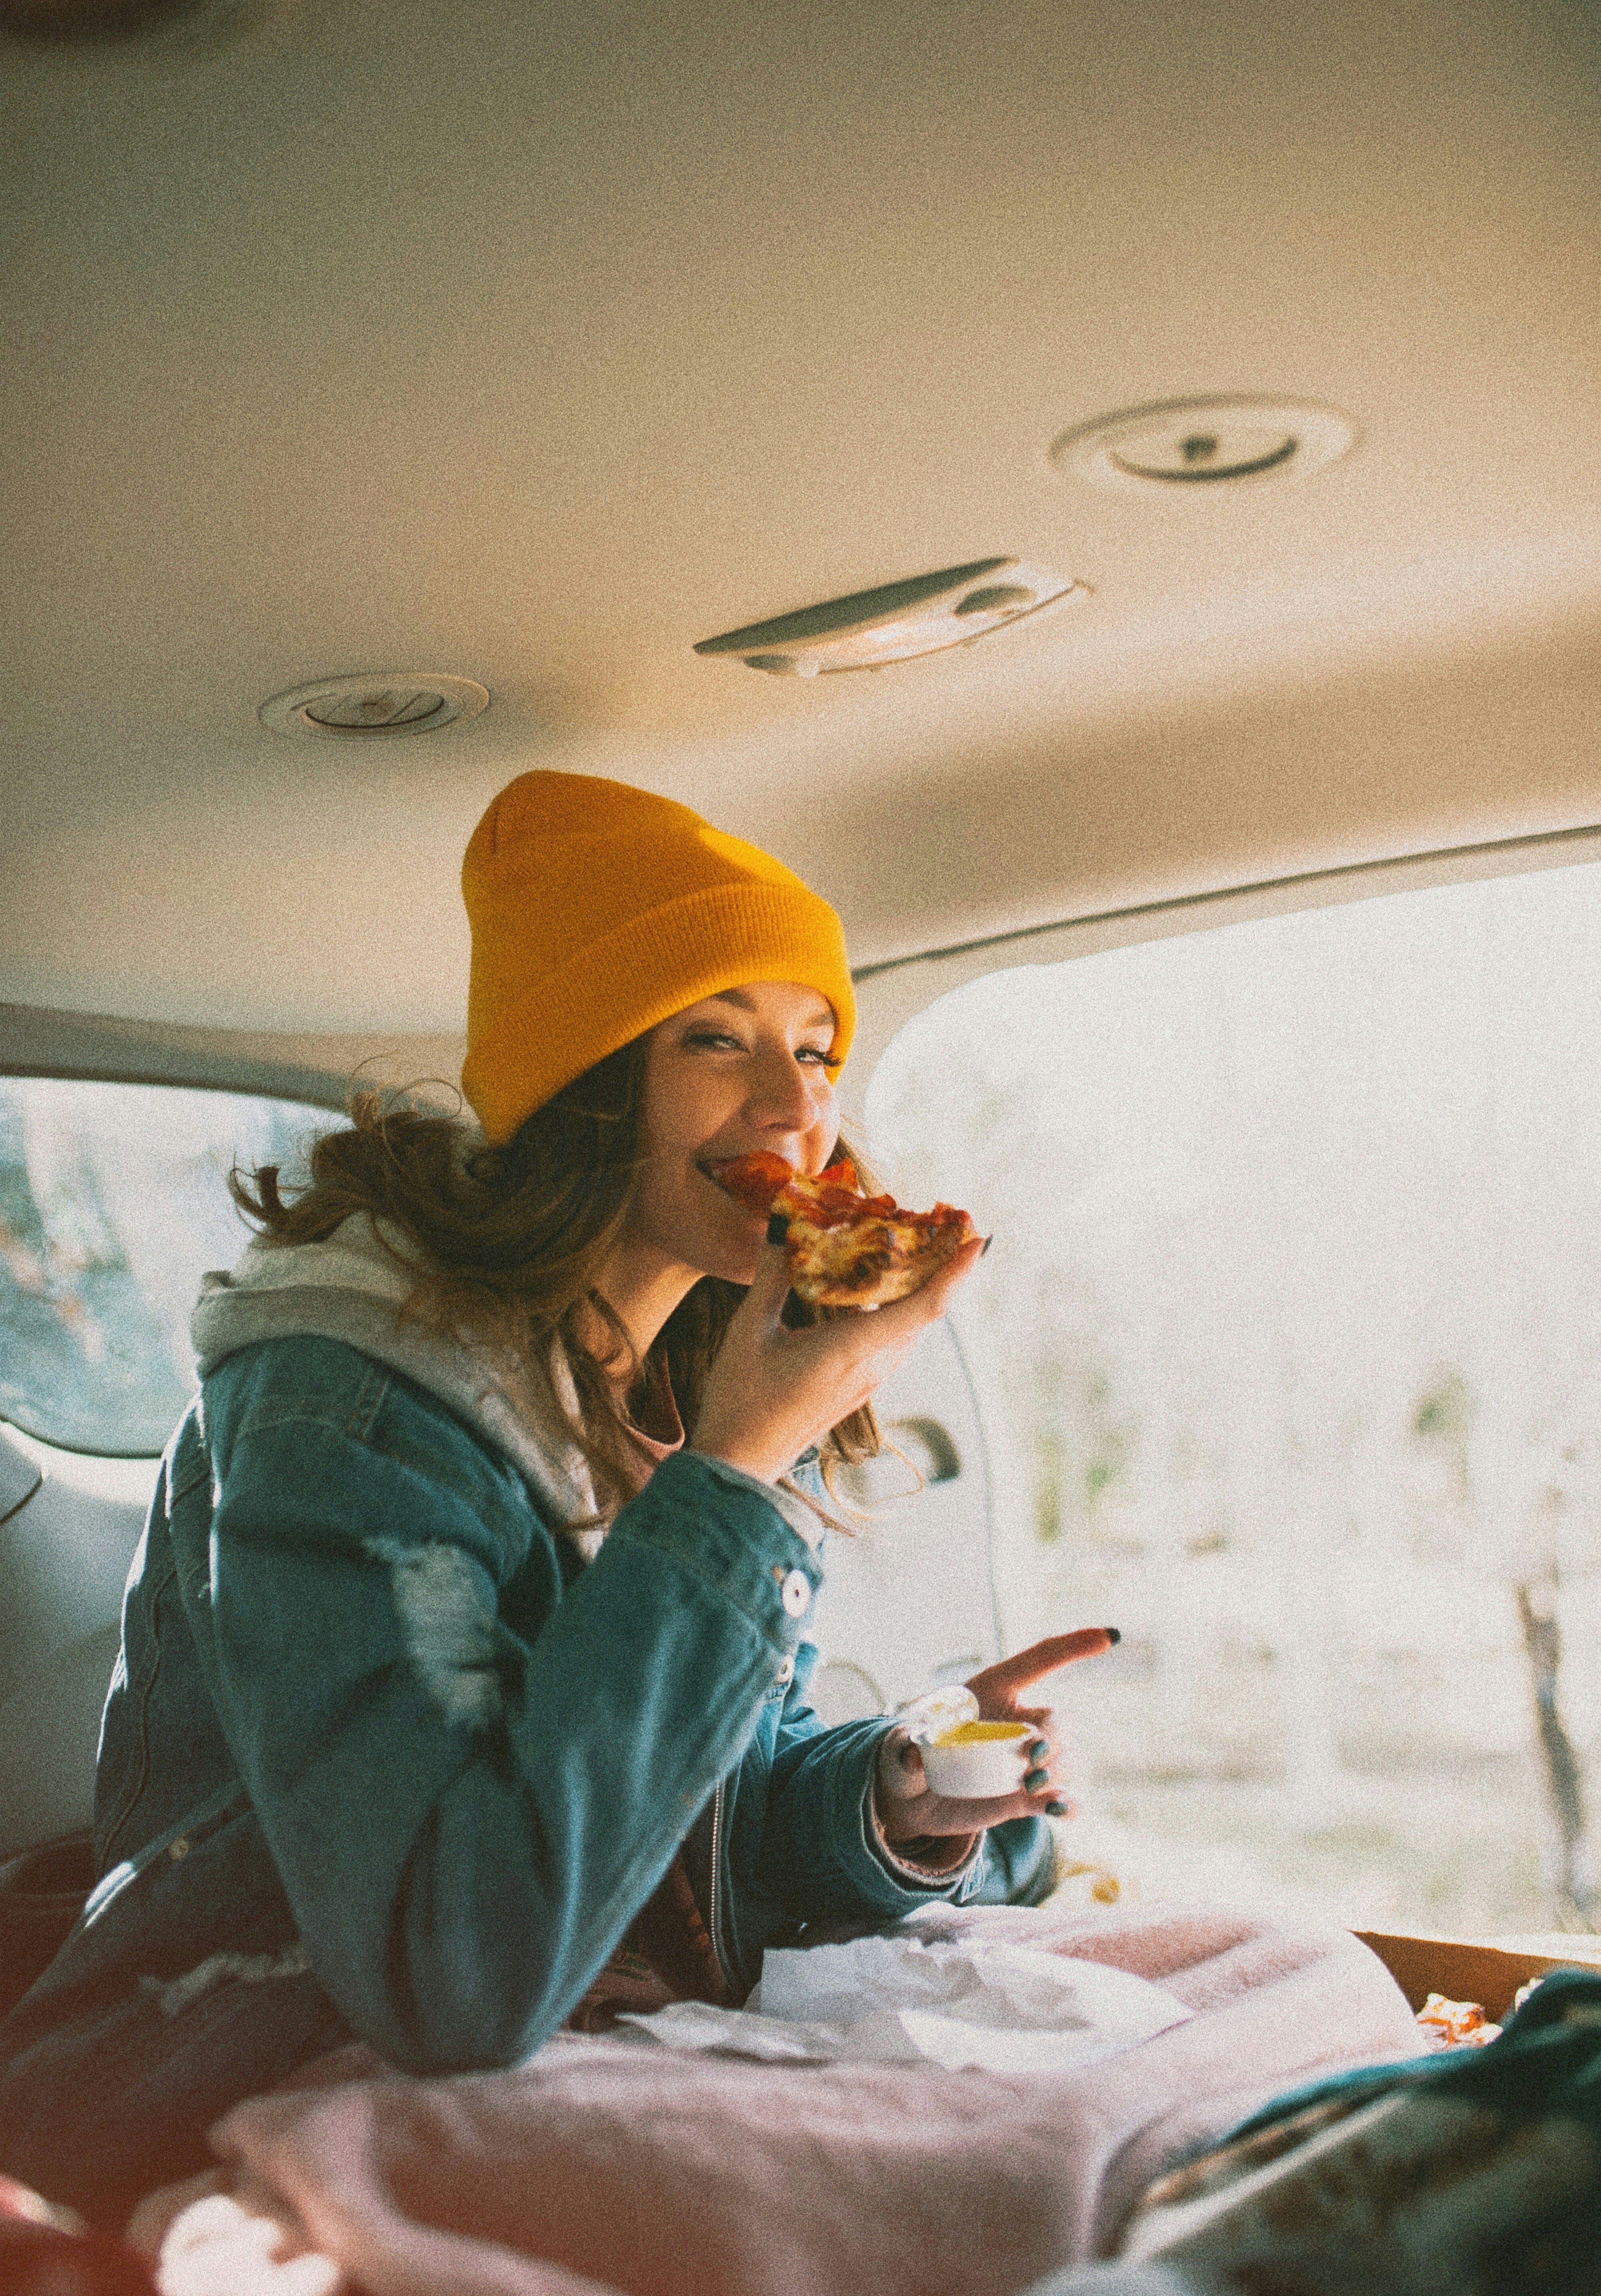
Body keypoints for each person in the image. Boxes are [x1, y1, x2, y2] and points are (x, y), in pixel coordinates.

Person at [0, 771, 1112, 2226]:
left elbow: (666, 1819)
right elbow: (453, 1967)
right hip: (242, 2062)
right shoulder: (344, 1408)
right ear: (585, 1085)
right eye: (718, 1041)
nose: (797, 1108)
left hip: (574, 2035)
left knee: (1239, 1995)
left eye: (819, 1050)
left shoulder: (662, 1387)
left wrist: (896, 1796)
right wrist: (731, 1484)